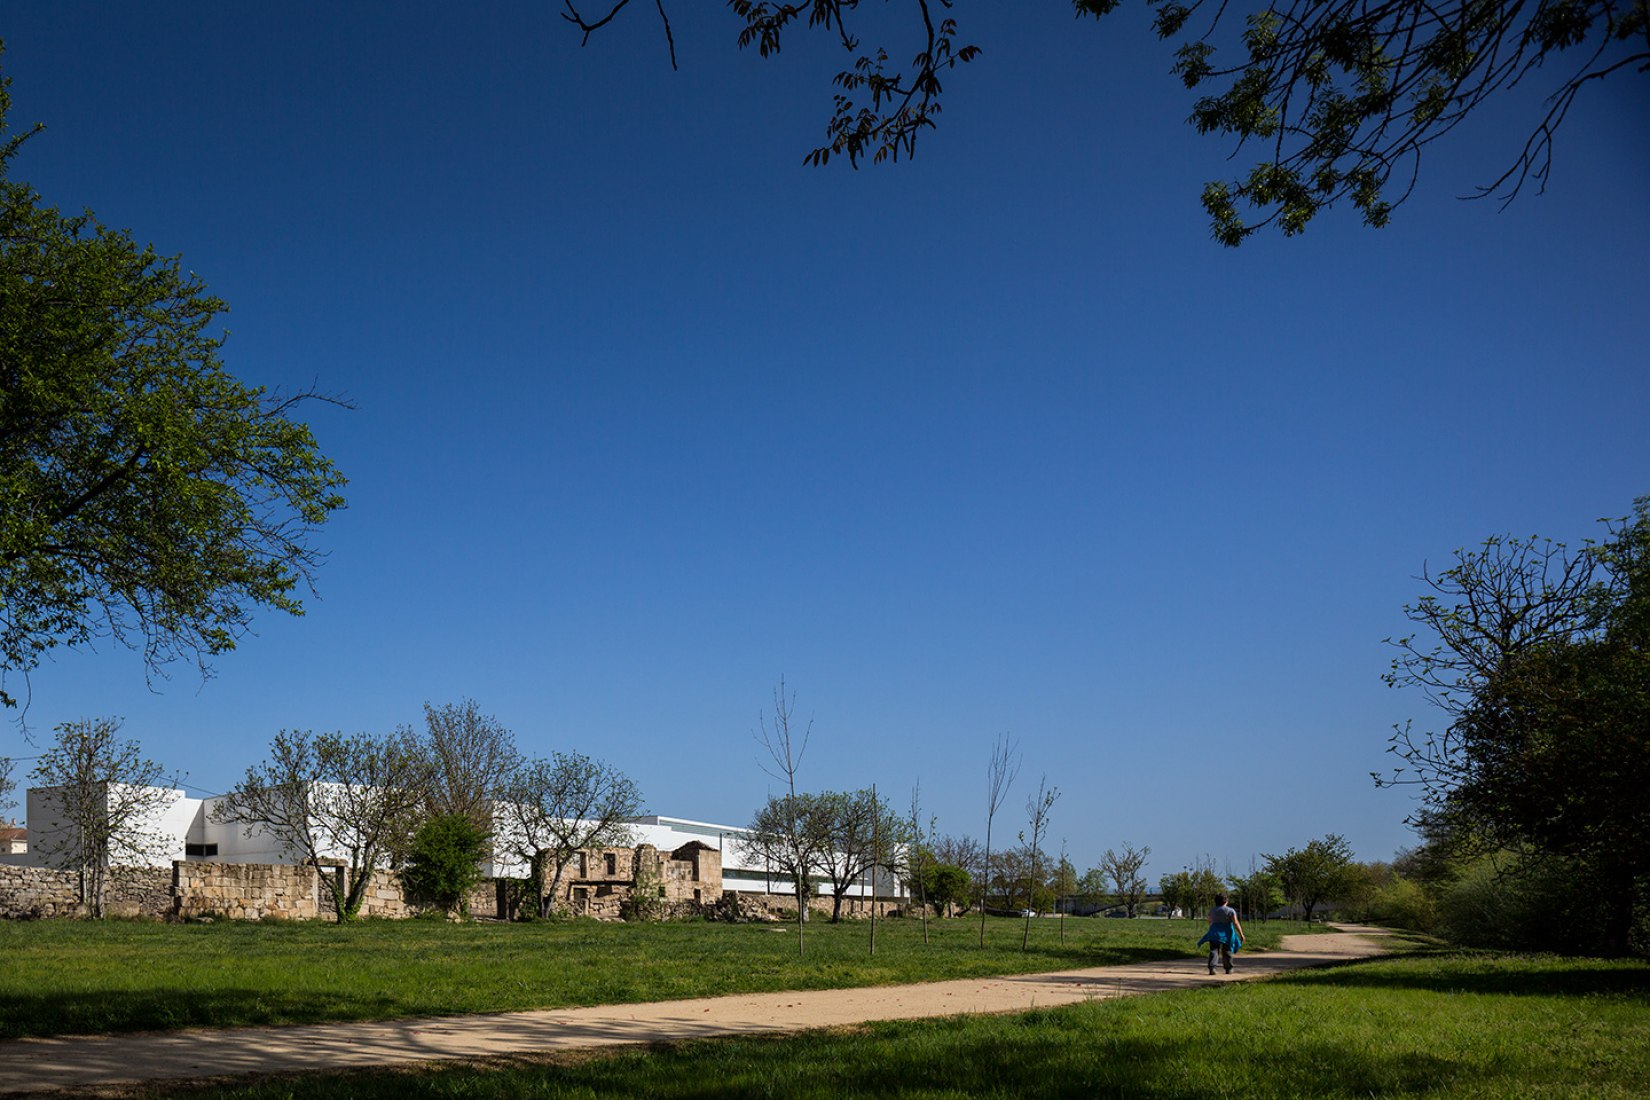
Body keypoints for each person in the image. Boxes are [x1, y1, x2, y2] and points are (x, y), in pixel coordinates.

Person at [1198, 892, 1245, 974]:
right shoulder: (1230, 910)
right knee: (1227, 950)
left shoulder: (1212, 910)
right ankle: (1229, 968)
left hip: (1214, 932)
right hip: (1227, 933)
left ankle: (1212, 968)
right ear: (1226, 901)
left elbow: (1209, 920)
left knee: (1214, 950)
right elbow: (1236, 923)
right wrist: (1241, 934)